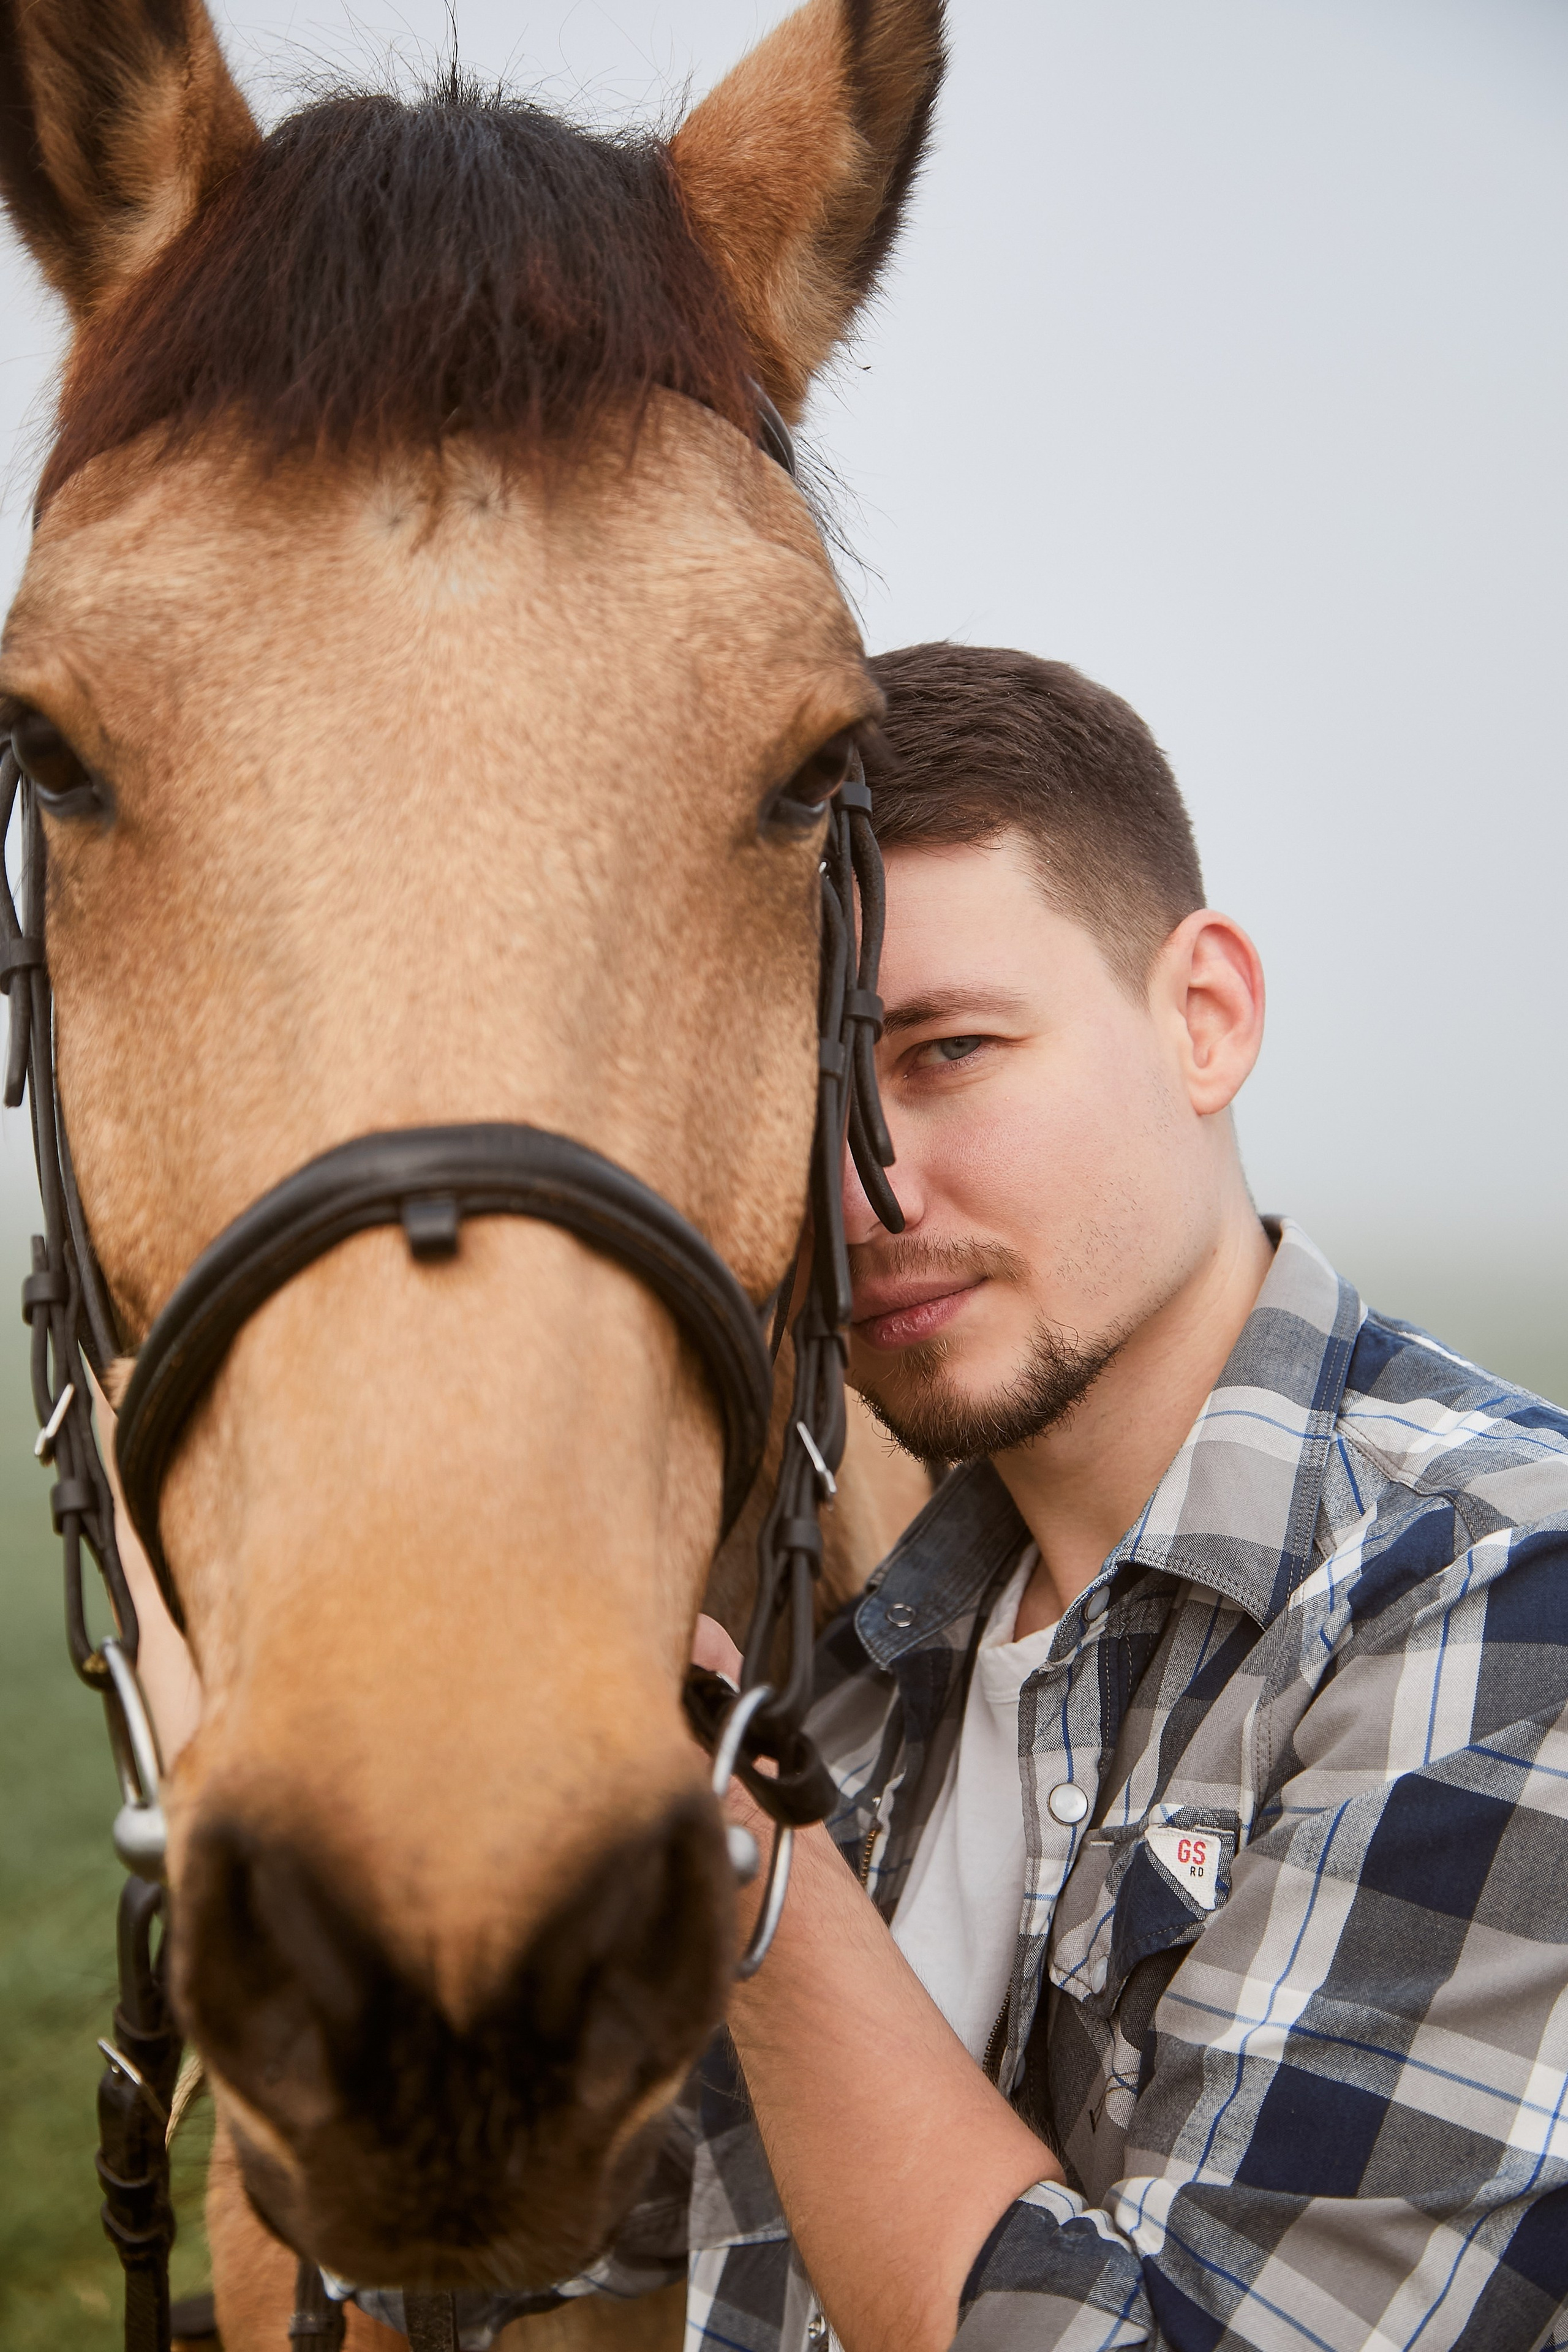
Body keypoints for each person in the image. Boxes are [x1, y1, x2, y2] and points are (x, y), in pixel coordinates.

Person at [440, 639, 1567, 2352]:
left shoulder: (1497, 1593)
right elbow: (547, 2261)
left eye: (947, 1052)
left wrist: (739, 1853)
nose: (860, 1195)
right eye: (798, 1101)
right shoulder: (870, 1658)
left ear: (1206, 1017)